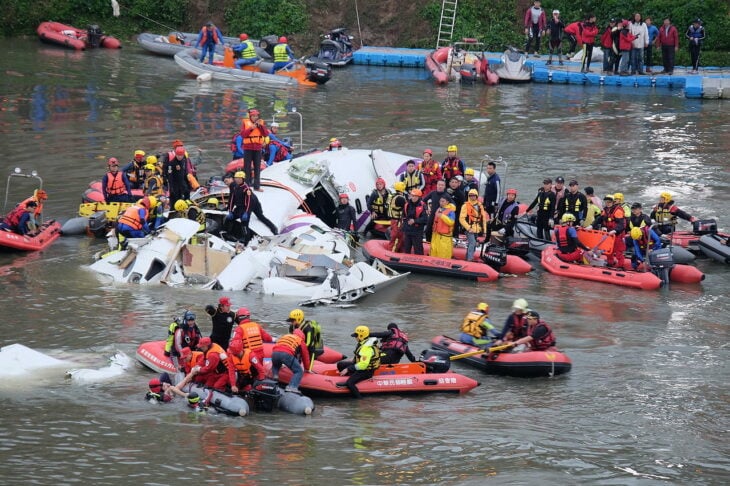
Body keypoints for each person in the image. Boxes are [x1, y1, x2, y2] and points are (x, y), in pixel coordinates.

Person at [337, 325, 380, 399]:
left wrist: (348, 369)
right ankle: (352, 376)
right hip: (360, 366)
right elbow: (360, 356)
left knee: (350, 383)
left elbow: (363, 364)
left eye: (356, 336)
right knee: (340, 364)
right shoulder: (364, 342)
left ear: (361, 336)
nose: (355, 338)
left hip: (366, 371)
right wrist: (354, 360)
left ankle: (360, 400)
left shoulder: (366, 348)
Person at [231, 307, 272, 379]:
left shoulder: (239, 329)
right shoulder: (256, 325)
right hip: (261, 354)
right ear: (248, 316)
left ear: (238, 318)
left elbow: (235, 344)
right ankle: (259, 384)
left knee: (248, 375)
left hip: (249, 356)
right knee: (259, 373)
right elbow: (268, 339)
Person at [271, 327, 310, 394]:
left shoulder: (286, 336)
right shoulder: (300, 340)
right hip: (286, 354)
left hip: (274, 353)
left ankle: (275, 377)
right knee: (299, 371)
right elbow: (305, 356)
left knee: (276, 365)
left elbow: (279, 346)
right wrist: (307, 368)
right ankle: (292, 387)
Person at [593, 194, 626, 267]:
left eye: (609, 202)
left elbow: (622, 224)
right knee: (608, 250)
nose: (607, 203)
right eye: (606, 202)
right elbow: (599, 219)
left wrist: (615, 230)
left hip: (618, 234)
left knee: (618, 251)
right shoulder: (605, 210)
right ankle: (610, 263)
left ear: (613, 202)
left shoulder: (618, 211)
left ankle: (621, 265)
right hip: (609, 234)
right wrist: (591, 225)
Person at [240, 109, 269, 191]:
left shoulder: (261, 123)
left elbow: (265, 134)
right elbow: (243, 135)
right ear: (250, 116)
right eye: (253, 116)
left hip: (257, 148)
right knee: (247, 168)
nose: (255, 117)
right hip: (248, 148)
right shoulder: (245, 123)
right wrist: (251, 128)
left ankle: (257, 186)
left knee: (257, 168)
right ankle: (247, 186)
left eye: (256, 116)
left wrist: (261, 126)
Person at [459, 188, 488, 261]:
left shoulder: (480, 206)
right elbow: (461, 219)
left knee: (474, 244)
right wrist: (468, 228)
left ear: (476, 196)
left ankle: (468, 257)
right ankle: (469, 259)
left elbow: (483, 219)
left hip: (477, 229)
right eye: (470, 195)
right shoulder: (465, 206)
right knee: (472, 243)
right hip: (469, 229)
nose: (472, 197)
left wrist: (484, 231)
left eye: (474, 195)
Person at [226, 171, 253, 241]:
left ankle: (246, 240)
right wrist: (230, 210)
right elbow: (232, 199)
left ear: (243, 179)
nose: (237, 180)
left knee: (244, 225)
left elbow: (249, 202)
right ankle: (228, 234)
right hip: (237, 208)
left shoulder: (246, 189)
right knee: (229, 219)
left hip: (244, 209)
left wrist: (246, 212)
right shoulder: (235, 187)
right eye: (236, 178)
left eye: (239, 178)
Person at [429, 193, 456, 259]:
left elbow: (451, 222)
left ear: (447, 202)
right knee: (433, 251)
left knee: (443, 253)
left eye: (443, 201)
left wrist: (442, 216)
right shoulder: (439, 209)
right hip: (436, 235)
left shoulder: (451, 212)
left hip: (444, 237)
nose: (441, 202)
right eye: (440, 201)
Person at [401, 189, 427, 255]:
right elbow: (403, 216)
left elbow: (425, 219)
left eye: (415, 196)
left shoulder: (423, 206)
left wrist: (415, 221)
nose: (413, 197)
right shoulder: (406, 205)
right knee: (406, 249)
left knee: (418, 250)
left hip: (417, 232)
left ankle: (420, 264)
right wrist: (405, 223)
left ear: (419, 197)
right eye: (412, 196)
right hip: (407, 231)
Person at [387, 182, 407, 252]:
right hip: (398, 221)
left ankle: (400, 251)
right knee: (397, 237)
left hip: (393, 220)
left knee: (399, 238)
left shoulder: (391, 196)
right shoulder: (400, 198)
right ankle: (391, 254)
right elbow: (406, 208)